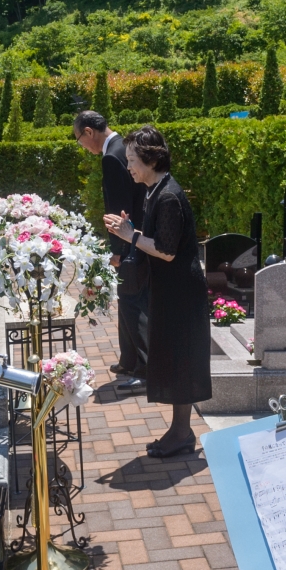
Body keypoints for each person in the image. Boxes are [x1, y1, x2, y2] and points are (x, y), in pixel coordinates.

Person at [102, 127, 210, 456]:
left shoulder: (167, 195)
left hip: (181, 291)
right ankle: (180, 431)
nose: (128, 166)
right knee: (174, 357)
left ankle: (182, 434)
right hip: (169, 288)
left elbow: (166, 250)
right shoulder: (154, 189)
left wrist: (130, 234)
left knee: (180, 358)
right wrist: (132, 231)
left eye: (133, 160)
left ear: (150, 160)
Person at [75, 108, 146, 388]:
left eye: (79, 139)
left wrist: (118, 250)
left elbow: (119, 209)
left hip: (130, 243)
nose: (81, 145)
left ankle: (143, 368)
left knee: (132, 302)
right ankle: (129, 360)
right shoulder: (123, 147)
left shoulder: (111, 156)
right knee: (127, 300)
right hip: (137, 238)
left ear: (89, 132)